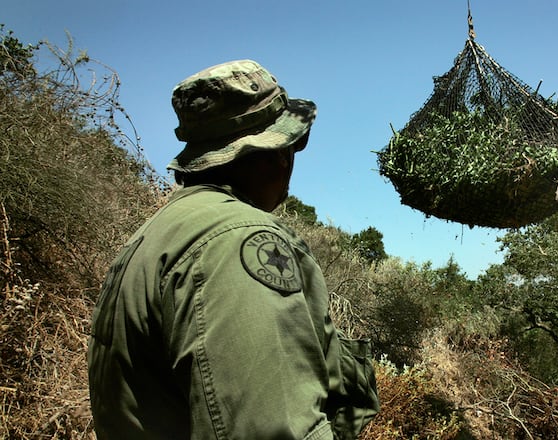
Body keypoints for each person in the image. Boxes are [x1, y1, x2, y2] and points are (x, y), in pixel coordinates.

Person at [88, 59, 379, 440]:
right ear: (271, 152)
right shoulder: (238, 238)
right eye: (291, 145)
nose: (289, 163)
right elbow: (269, 428)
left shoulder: (159, 232)